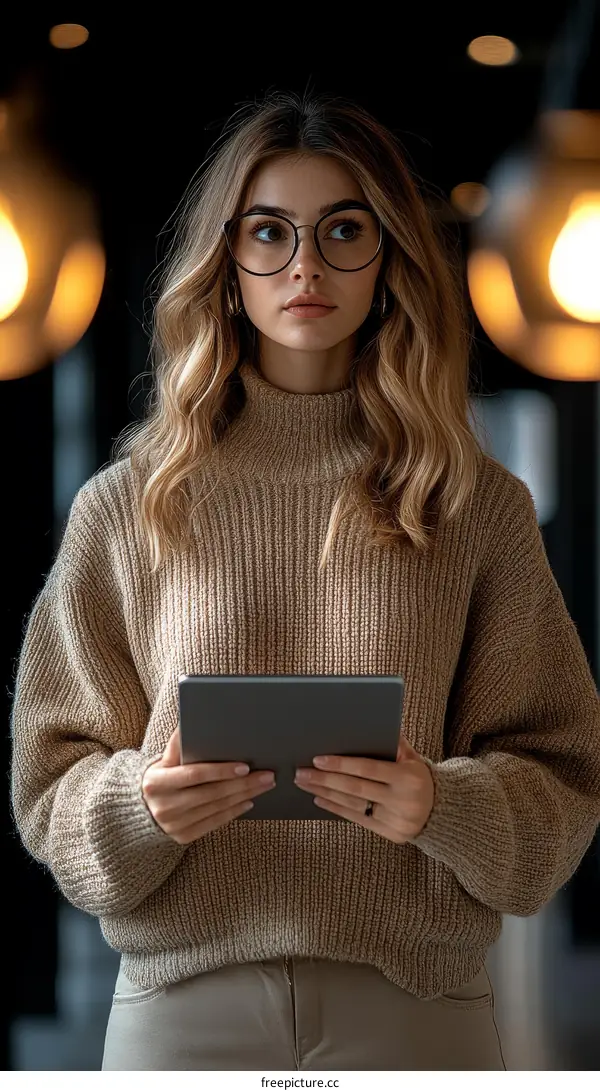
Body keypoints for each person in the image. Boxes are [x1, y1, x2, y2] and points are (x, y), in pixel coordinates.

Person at [10, 88, 600, 1073]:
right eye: (269, 233)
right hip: (182, 1005)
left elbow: (564, 779)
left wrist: (438, 805)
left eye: (343, 231)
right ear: (227, 261)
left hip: (416, 1004)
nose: (306, 265)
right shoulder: (129, 505)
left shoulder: (474, 504)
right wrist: (140, 808)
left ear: (389, 257)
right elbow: (48, 778)